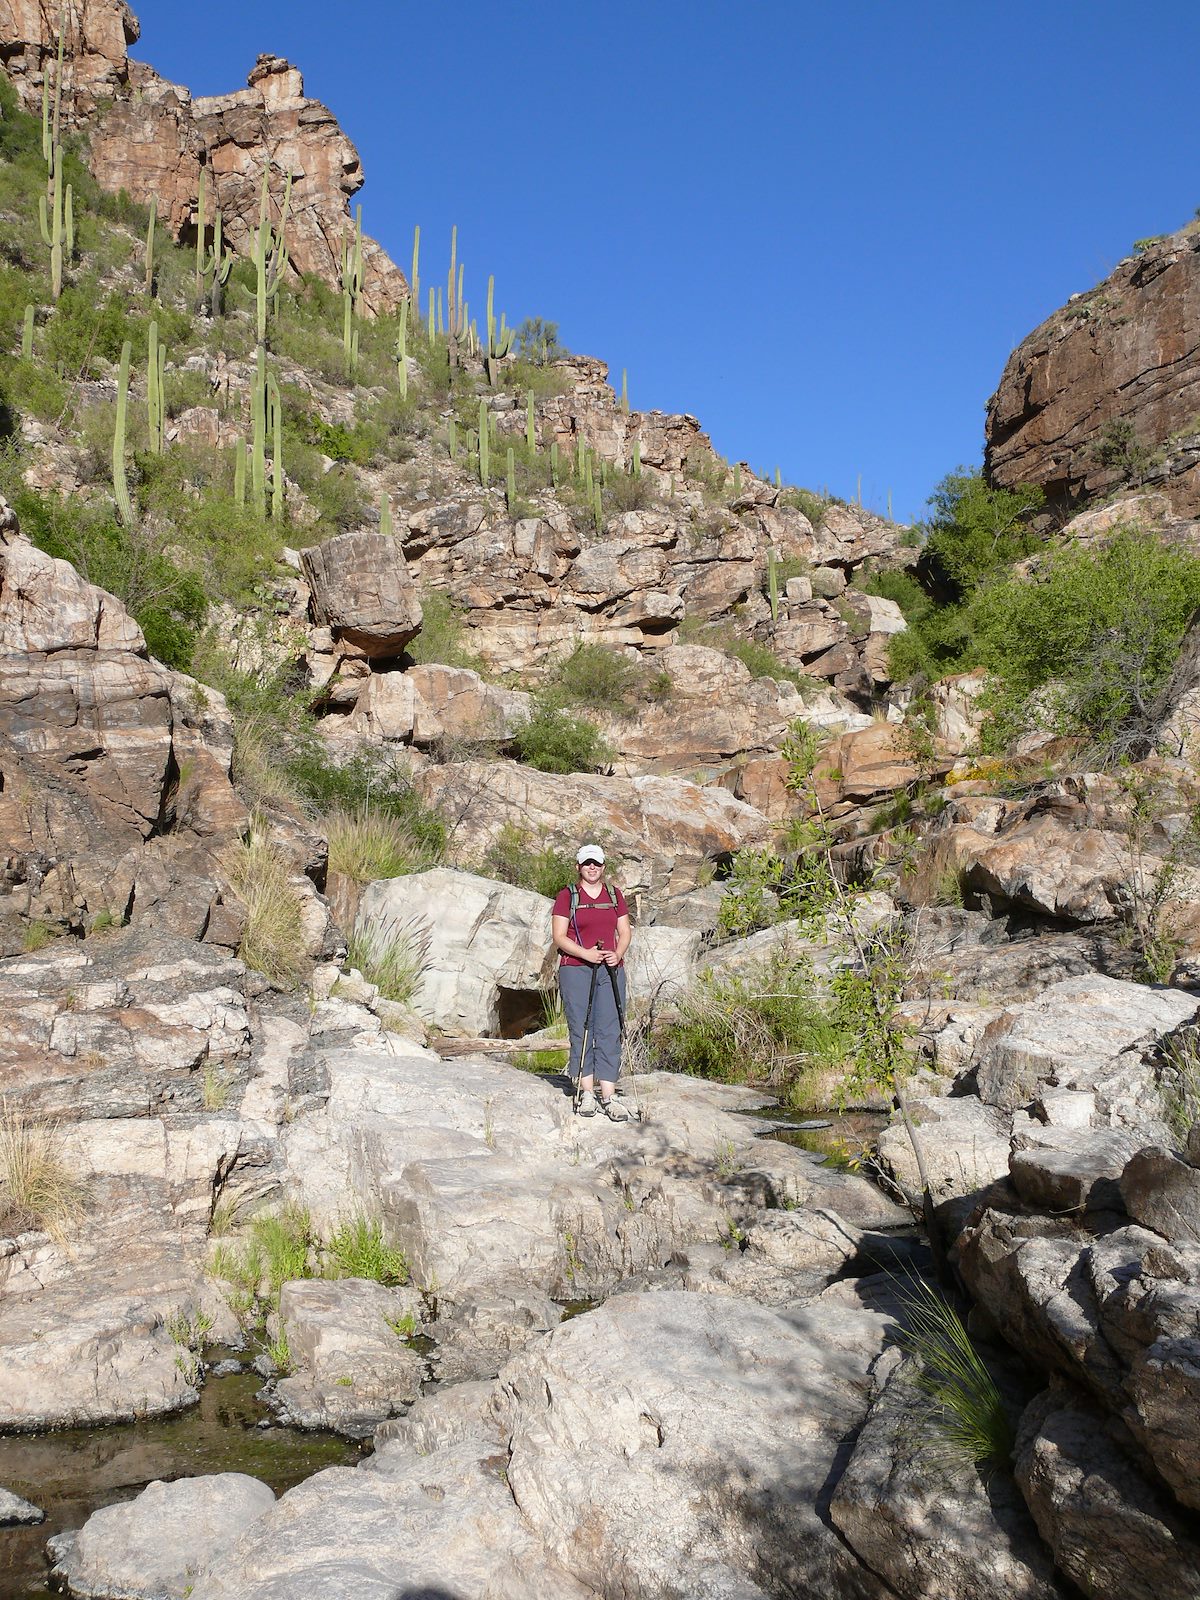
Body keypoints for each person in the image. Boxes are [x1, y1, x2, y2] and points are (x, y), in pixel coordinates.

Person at [552, 844, 632, 1121]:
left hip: (611, 970)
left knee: (610, 1030)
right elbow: (559, 937)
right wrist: (586, 953)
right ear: (578, 867)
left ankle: (608, 1095)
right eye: (587, 863)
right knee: (582, 1028)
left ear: (603, 866)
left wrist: (617, 953)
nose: (592, 868)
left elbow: (624, 931)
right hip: (576, 969)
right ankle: (587, 1093)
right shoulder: (567, 896)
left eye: (596, 863)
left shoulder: (615, 895)